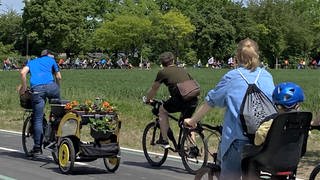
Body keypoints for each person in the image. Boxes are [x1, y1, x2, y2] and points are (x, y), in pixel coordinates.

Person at [184, 38, 275, 179]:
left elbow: (211, 101)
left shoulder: (232, 77)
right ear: (257, 54)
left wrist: (192, 120)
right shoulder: (267, 76)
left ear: (237, 57)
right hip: (262, 140)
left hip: (237, 139)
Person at [145, 52, 198, 148]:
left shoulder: (163, 72)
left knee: (162, 110)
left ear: (162, 63)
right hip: (193, 99)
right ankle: (193, 147)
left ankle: (164, 140)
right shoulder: (182, 69)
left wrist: (148, 100)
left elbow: (154, 88)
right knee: (187, 122)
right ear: (173, 60)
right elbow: (187, 85)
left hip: (180, 100)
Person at [19, 49, 62, 156]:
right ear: (48, 55)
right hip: (52, 87)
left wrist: (24, 87)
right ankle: (56, 135)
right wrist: (57, 88)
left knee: (37, 119)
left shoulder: (32, 62)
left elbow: (23, 73)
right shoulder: (51, 60)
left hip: (37, 90)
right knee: (58, 114)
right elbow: (58, 77)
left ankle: (37, 147)